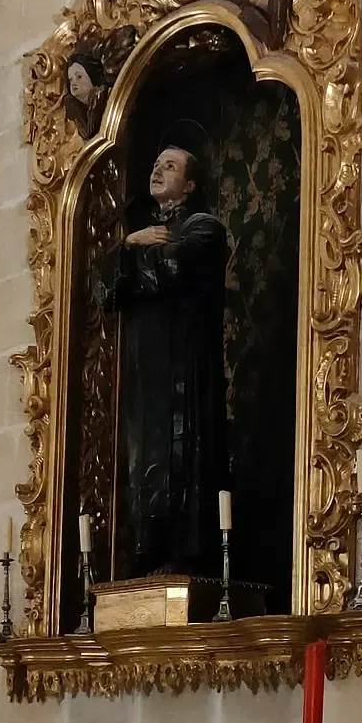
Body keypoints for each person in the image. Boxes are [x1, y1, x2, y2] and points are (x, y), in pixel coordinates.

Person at [100, 123, 230, 579]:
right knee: (144, 460)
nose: (158, 171)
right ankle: (147, 550)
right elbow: (104, 290)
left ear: (190, 184)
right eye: (156, 164)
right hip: (146, 369)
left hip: (183, 367)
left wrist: (133, 256)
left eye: (170, 166)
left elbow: (174, 268)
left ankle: (183, 555)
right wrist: (128, 245)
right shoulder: (140, 234)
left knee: (182, 456)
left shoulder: (204, 227)